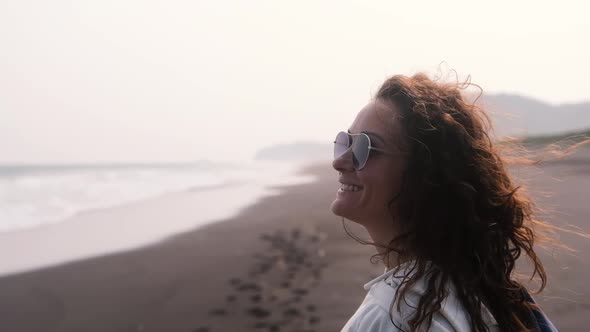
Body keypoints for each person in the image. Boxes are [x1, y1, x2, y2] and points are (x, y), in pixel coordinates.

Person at [331, 73, 561, 331]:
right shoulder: (489, 295)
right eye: (345, 142)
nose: (339, 161)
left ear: (423, 176)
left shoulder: (388, 318)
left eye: (365, 148)